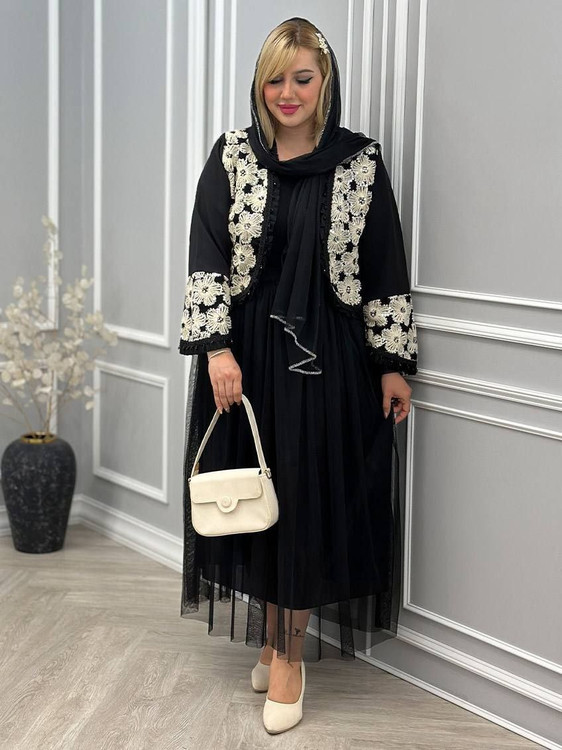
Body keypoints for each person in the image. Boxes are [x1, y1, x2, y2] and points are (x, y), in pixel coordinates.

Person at [178, 17, 418, 734]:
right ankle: (270, 639)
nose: (288, 93)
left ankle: (289, 657)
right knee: (257, 499)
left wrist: (392, 364)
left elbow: (383, 263)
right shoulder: (232, 156)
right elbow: (206, 253)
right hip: (246, 360)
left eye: (302, 79)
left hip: (330, 364)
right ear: (260, 85)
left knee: (310, 505)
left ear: (325, 83)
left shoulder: (359, 162)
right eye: (275, 79)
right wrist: (217, 351)